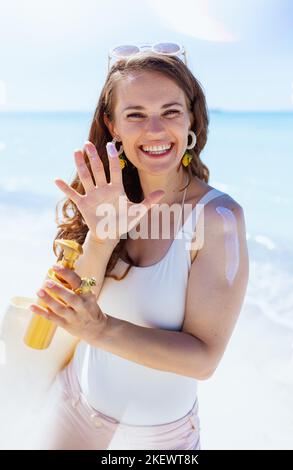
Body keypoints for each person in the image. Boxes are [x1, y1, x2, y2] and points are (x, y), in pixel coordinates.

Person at [29, 44, 249, 450]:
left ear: (190, 121)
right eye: (135, 115)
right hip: (75, 405)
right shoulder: (106, 199)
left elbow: (204, 360)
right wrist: (100, 237)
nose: (155, 131)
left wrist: (101, 329)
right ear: (113, 126)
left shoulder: (217, 219)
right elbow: (84, 300)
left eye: (170, 112)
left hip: (156, 438)